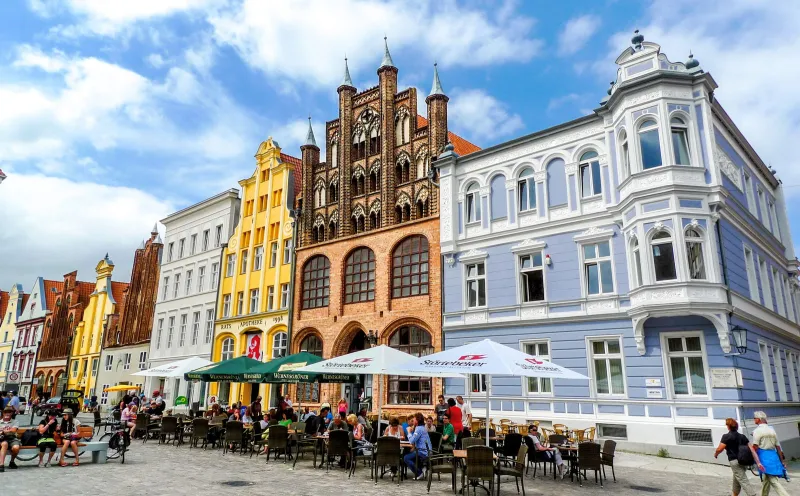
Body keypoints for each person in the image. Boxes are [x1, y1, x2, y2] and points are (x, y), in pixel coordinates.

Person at [750, 411, 790, 496]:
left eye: (754, 418)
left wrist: (752, 455)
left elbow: (755, 447)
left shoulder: (757, 431)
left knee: (773, 480)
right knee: (766, 480)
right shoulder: (772, 430)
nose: (754, 419)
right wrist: (782, 461)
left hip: (764, 457)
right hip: (773, 456)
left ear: (758, 419)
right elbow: (778, 447)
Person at [714, 418, 755, 496]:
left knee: (743, 480)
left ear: (728, 426)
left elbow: (720, 448)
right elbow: (751, 448)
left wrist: (716, 454)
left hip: (734, 461)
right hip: (744, 461)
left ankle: (752, 494)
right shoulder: (742, 436)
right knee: (737, 478)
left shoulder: (726, 436)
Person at [405, 412, 431, 480]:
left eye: (414, 420)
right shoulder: (421, 428)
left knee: (406, 458)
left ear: (417, 420)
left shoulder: (419, 429)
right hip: (426, 451)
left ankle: (419, 473)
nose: (413, 421)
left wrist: (409, 432)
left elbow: (411, 441)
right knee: (410, 454)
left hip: (423, 452)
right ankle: (421, 468)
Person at [0, 406, 21, 472]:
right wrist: (7, 430)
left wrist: (3, 431)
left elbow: (14, 430)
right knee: (4, 444)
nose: (7, 414)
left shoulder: (15, 421)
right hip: (2, 439)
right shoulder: (0, 422)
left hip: (12, 438)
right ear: (3, 413)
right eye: (6, 412)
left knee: (16, 447)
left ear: (11, 414)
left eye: (9, 413)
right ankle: (1, 465)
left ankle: (12, 462)